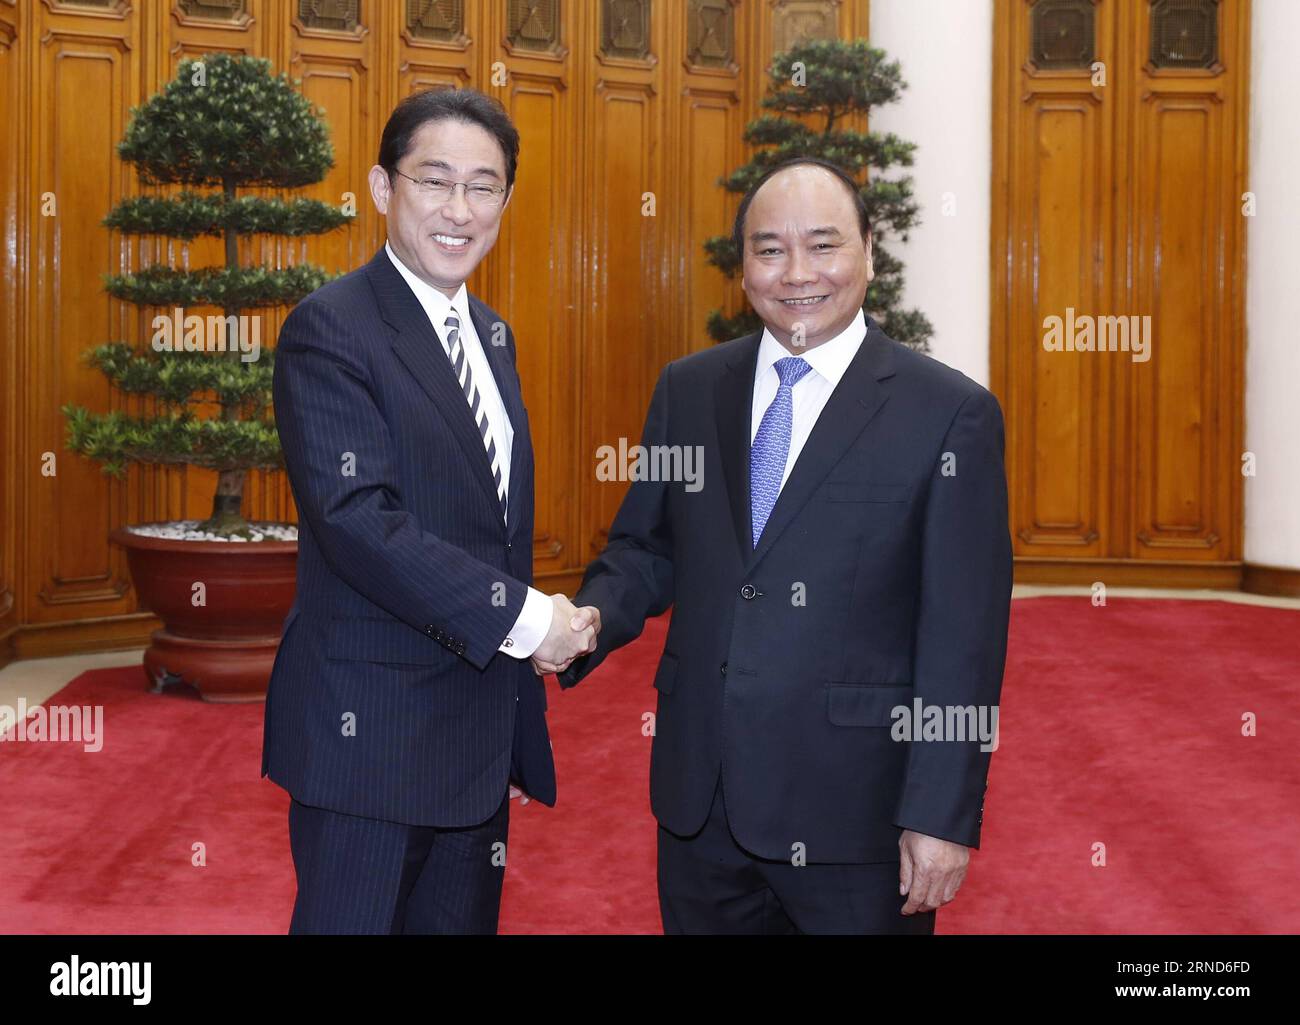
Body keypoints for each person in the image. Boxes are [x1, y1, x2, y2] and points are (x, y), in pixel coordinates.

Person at [550, 158, 1013, 934]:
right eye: (769, 250)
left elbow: (963, 637)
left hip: (857, 823)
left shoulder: (948, 414)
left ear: (870, 249)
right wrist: (591, 617)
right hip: (703, 805)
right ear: (743, 268)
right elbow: (647, 546)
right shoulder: (690, 390)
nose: (796, 272)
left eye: (823, 245)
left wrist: (940, 813)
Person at [263, 88, 598, 934]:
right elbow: (356, 520)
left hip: (472, 741)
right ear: (382, 188)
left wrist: (510, 727)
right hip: (369, 742)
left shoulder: (491, 334)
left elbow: (489, 532)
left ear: (506, 202)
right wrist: (528, 622)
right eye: (434, 180)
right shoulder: (329, 328)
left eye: (483, 186)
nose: (459, 209)